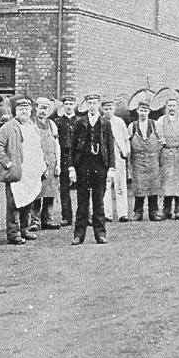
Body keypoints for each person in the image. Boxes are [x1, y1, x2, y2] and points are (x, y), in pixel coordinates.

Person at [0, 96, 47, 245]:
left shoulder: (33, 127)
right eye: (21, 109)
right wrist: (8, 163)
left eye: (27, 109)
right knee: (13, 203)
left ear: (31, 111)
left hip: (31, 172)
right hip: (16, 172)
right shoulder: (8, 127)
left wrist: (42, 166)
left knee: (28, 200)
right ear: (16, 111)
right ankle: (13, 233)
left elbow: (38, 148)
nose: (24, 111)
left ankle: (24, 229)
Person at [69, 93, 115, 244]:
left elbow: (110, 146)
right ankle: (78, 235)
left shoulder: (105, 123)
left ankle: (100, 234)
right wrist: (71, 167)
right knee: (82, 202)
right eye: (90, 103)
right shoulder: (79, 123)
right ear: (86, 105)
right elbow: (72, 147)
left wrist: (111, 168)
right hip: (83, 165)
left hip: (100, 165)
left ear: (98, 105)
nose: (92, 106)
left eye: (95, 103)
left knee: (98, 202)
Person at [128, 99, 164, 221]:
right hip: (137, 159)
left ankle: (153, 212)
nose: (143, 113)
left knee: (153, 185)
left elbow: (161, 141)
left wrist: (155, 153)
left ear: (149, 111)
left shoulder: (155, 124)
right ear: (137, 111)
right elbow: (128, 143)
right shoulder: (132, 126)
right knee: (139, 185)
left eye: (145, 110)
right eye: (141, 110)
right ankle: (138, 212)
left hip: (153, 159)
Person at [29, 97, 62, 230]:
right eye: (41, 108)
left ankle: (48, 219)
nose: (43, 111)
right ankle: (34, 221)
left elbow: (57, 145)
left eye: (46, 108)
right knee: (37, 193)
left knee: (50, 192)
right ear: (36, 108)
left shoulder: (52, 124)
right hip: (37, 163)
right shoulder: (31, 124)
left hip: (52, 162)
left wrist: (58, 164)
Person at [156, 97, 179, 219]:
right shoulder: (161, 120)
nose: (171, 108)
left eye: (173, 106)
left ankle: (178, 209)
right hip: (167, 152)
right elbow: (158, 134)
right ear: (166, 107)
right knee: (167, 182)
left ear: (177, 107)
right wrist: (163, 142)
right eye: (169, 106)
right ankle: (166, 209)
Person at [101, 98, 131, 223]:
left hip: (118, 156)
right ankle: (107, 214)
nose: (108, 111)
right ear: (102, 109)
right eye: (106, 109)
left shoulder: (119, 122)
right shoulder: (100, 122)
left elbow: (126, 138)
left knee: (120, 186)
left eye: (110, 108)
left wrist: (126, 151)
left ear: (114, 109)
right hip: (105, 158)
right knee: (106, 186)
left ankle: (122, 214)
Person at [53, 95, 77, 226]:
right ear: (63, 106)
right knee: (64, 189)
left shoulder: (80, 121)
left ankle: (83, 216)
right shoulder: (58, 122)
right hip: (63, 157)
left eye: (71, 103)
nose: (68, 106)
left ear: (74, 105)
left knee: (83, 188)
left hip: (78, 158)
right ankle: (66, 216)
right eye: (66, 104)